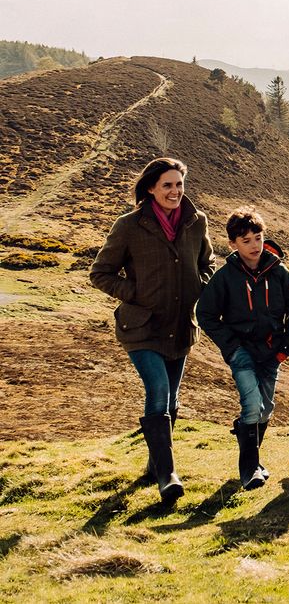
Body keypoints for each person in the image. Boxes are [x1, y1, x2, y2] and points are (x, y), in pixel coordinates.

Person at [90, 157, 215, 503]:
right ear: (151, 189)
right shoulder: (129, 225)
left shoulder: (196, 221)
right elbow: (100, 273)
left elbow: (208, 263)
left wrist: (199, 287)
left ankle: (153, 464)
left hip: (180, 327)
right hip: (141, 328)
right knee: (158, 391)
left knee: (172, 400)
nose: (175, 192)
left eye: (179, 184)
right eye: (167, 185)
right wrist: (135, 294)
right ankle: (167, 475)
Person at [196, 207, 289, 490]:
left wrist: (287, 347)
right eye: (246, 241)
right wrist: (231, 347)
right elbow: (205, 314)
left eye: (258, 237)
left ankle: (251, 452)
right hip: (241, 353)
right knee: (253, 406)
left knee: (265, 409)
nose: (254, 245)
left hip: (272, 352)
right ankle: (249, 471)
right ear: (233, 244)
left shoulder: (279, 272)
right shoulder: (225, 277)